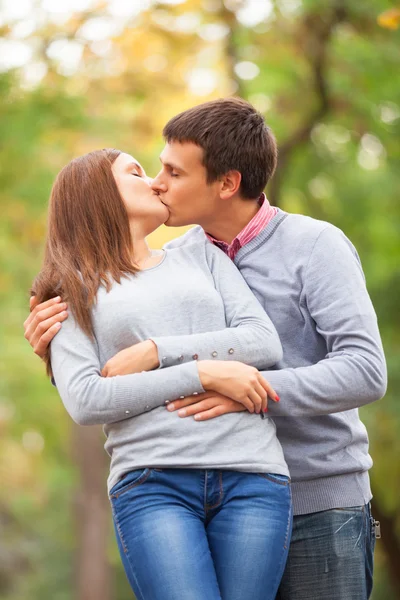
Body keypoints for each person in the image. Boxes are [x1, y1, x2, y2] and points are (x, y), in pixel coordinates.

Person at [25, 98, 387, 600]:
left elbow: (365, 372)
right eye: (154, 169)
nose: (157, 181)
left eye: (173, 172)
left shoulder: (314, 245)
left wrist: (238, 387)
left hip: (317, 499)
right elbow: (107, 365)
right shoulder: (178, 259)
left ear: (226, 183)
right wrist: (55, 342)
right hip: (201, 480)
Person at [30, 147, 292, 600]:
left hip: (253, 474)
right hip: (154, 483)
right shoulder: (69, 289)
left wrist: (159, 352)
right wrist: (204, 373)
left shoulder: (202, 254)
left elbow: (262, 342)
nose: (155, 181)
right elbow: (87, 400)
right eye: (136, 173)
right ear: (97, 196)